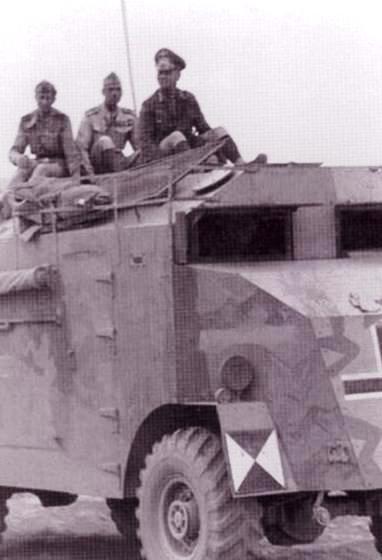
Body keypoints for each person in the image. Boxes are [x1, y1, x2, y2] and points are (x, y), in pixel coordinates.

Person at [138, 48, 265, 165]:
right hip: (164, 156)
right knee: (176, 136)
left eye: (167, 72)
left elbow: (203, 128)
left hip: (187, 147)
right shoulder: (149, 105)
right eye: (160, 73)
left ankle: (241, 165)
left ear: (177, 75)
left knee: (219, 131)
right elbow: (146, 144)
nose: (163, 77)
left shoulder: (188, 99)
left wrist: (215, 149)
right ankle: (193, 168)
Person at [8, 81, 80, 188]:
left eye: (48, 98)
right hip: (37, 162)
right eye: (41, 97)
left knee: (41, 170)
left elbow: (71, 153)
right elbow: (14, 150)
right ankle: (6, 198)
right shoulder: (27, 121)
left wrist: (76, 178)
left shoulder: (62, 120)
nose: (45, 102)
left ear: (53, 100)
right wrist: (19, 158)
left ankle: (28, 197)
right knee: (20, 173)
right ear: (36, 97)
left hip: (58, 165)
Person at [76, 73, 137, 177]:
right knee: (105, 141)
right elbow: (81, 148)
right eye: (110, 90)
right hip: (98, 165)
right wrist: (90, 174)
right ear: (103, 92)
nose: (114, 93)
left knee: (142, 153)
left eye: (118, 90)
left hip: (119, 161)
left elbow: (139, 144)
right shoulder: (91, 116)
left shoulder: (129, 117)